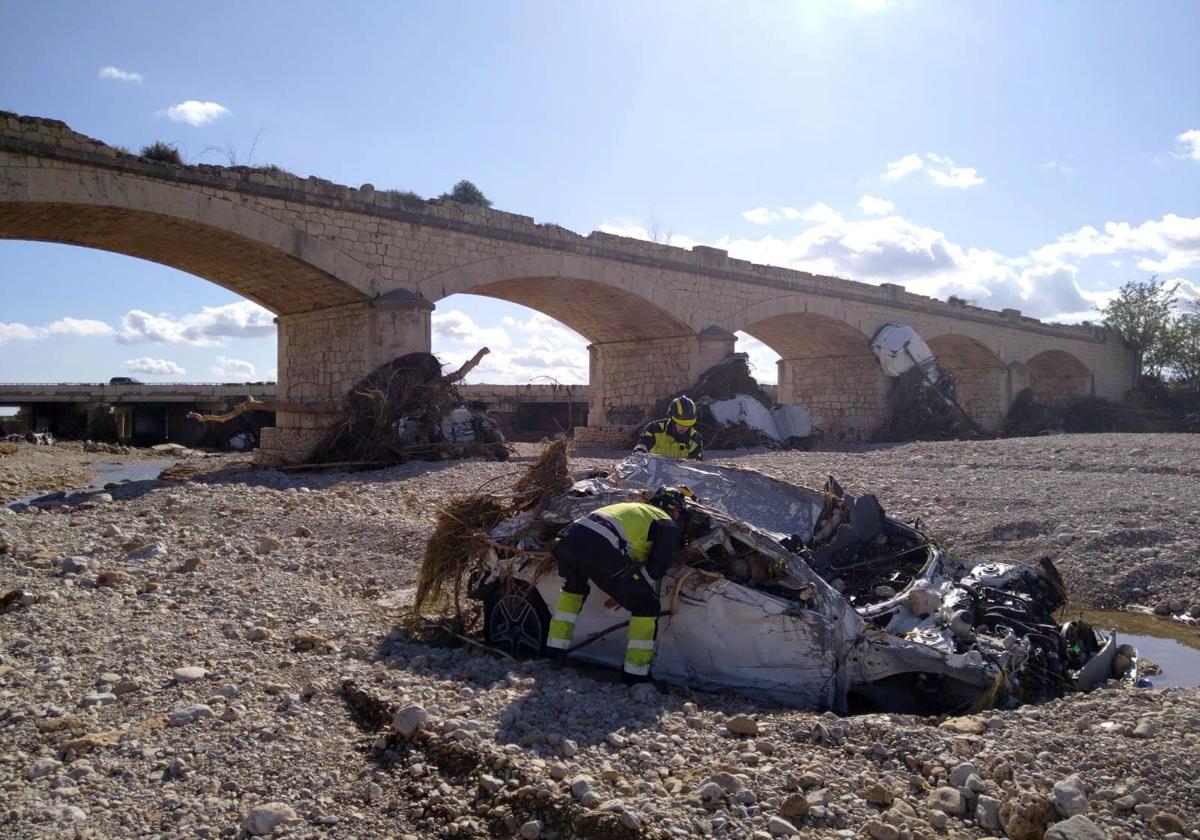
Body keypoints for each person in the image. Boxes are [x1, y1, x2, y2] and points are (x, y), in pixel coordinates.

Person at [545, 487, 689, 683]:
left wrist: (625, 589)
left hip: (567, 539)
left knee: (573, 591)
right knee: (647, 606)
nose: (678, 516)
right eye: (679, 512)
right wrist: (632, 593)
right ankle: (635, 674)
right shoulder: (665, 521)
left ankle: (554, 653)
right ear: (672, 509)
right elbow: (657, 567)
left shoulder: (636, 510)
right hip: (599, 546)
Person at [634, 396, 704, 460]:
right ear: (672, 419)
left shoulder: (696, 439)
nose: (684, 427)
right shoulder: (654, 429)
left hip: (680, 474)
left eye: (688, 425)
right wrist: (639, 453)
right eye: (680, 424)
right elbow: (642, 446)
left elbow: (696, 466)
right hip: (654, 473)